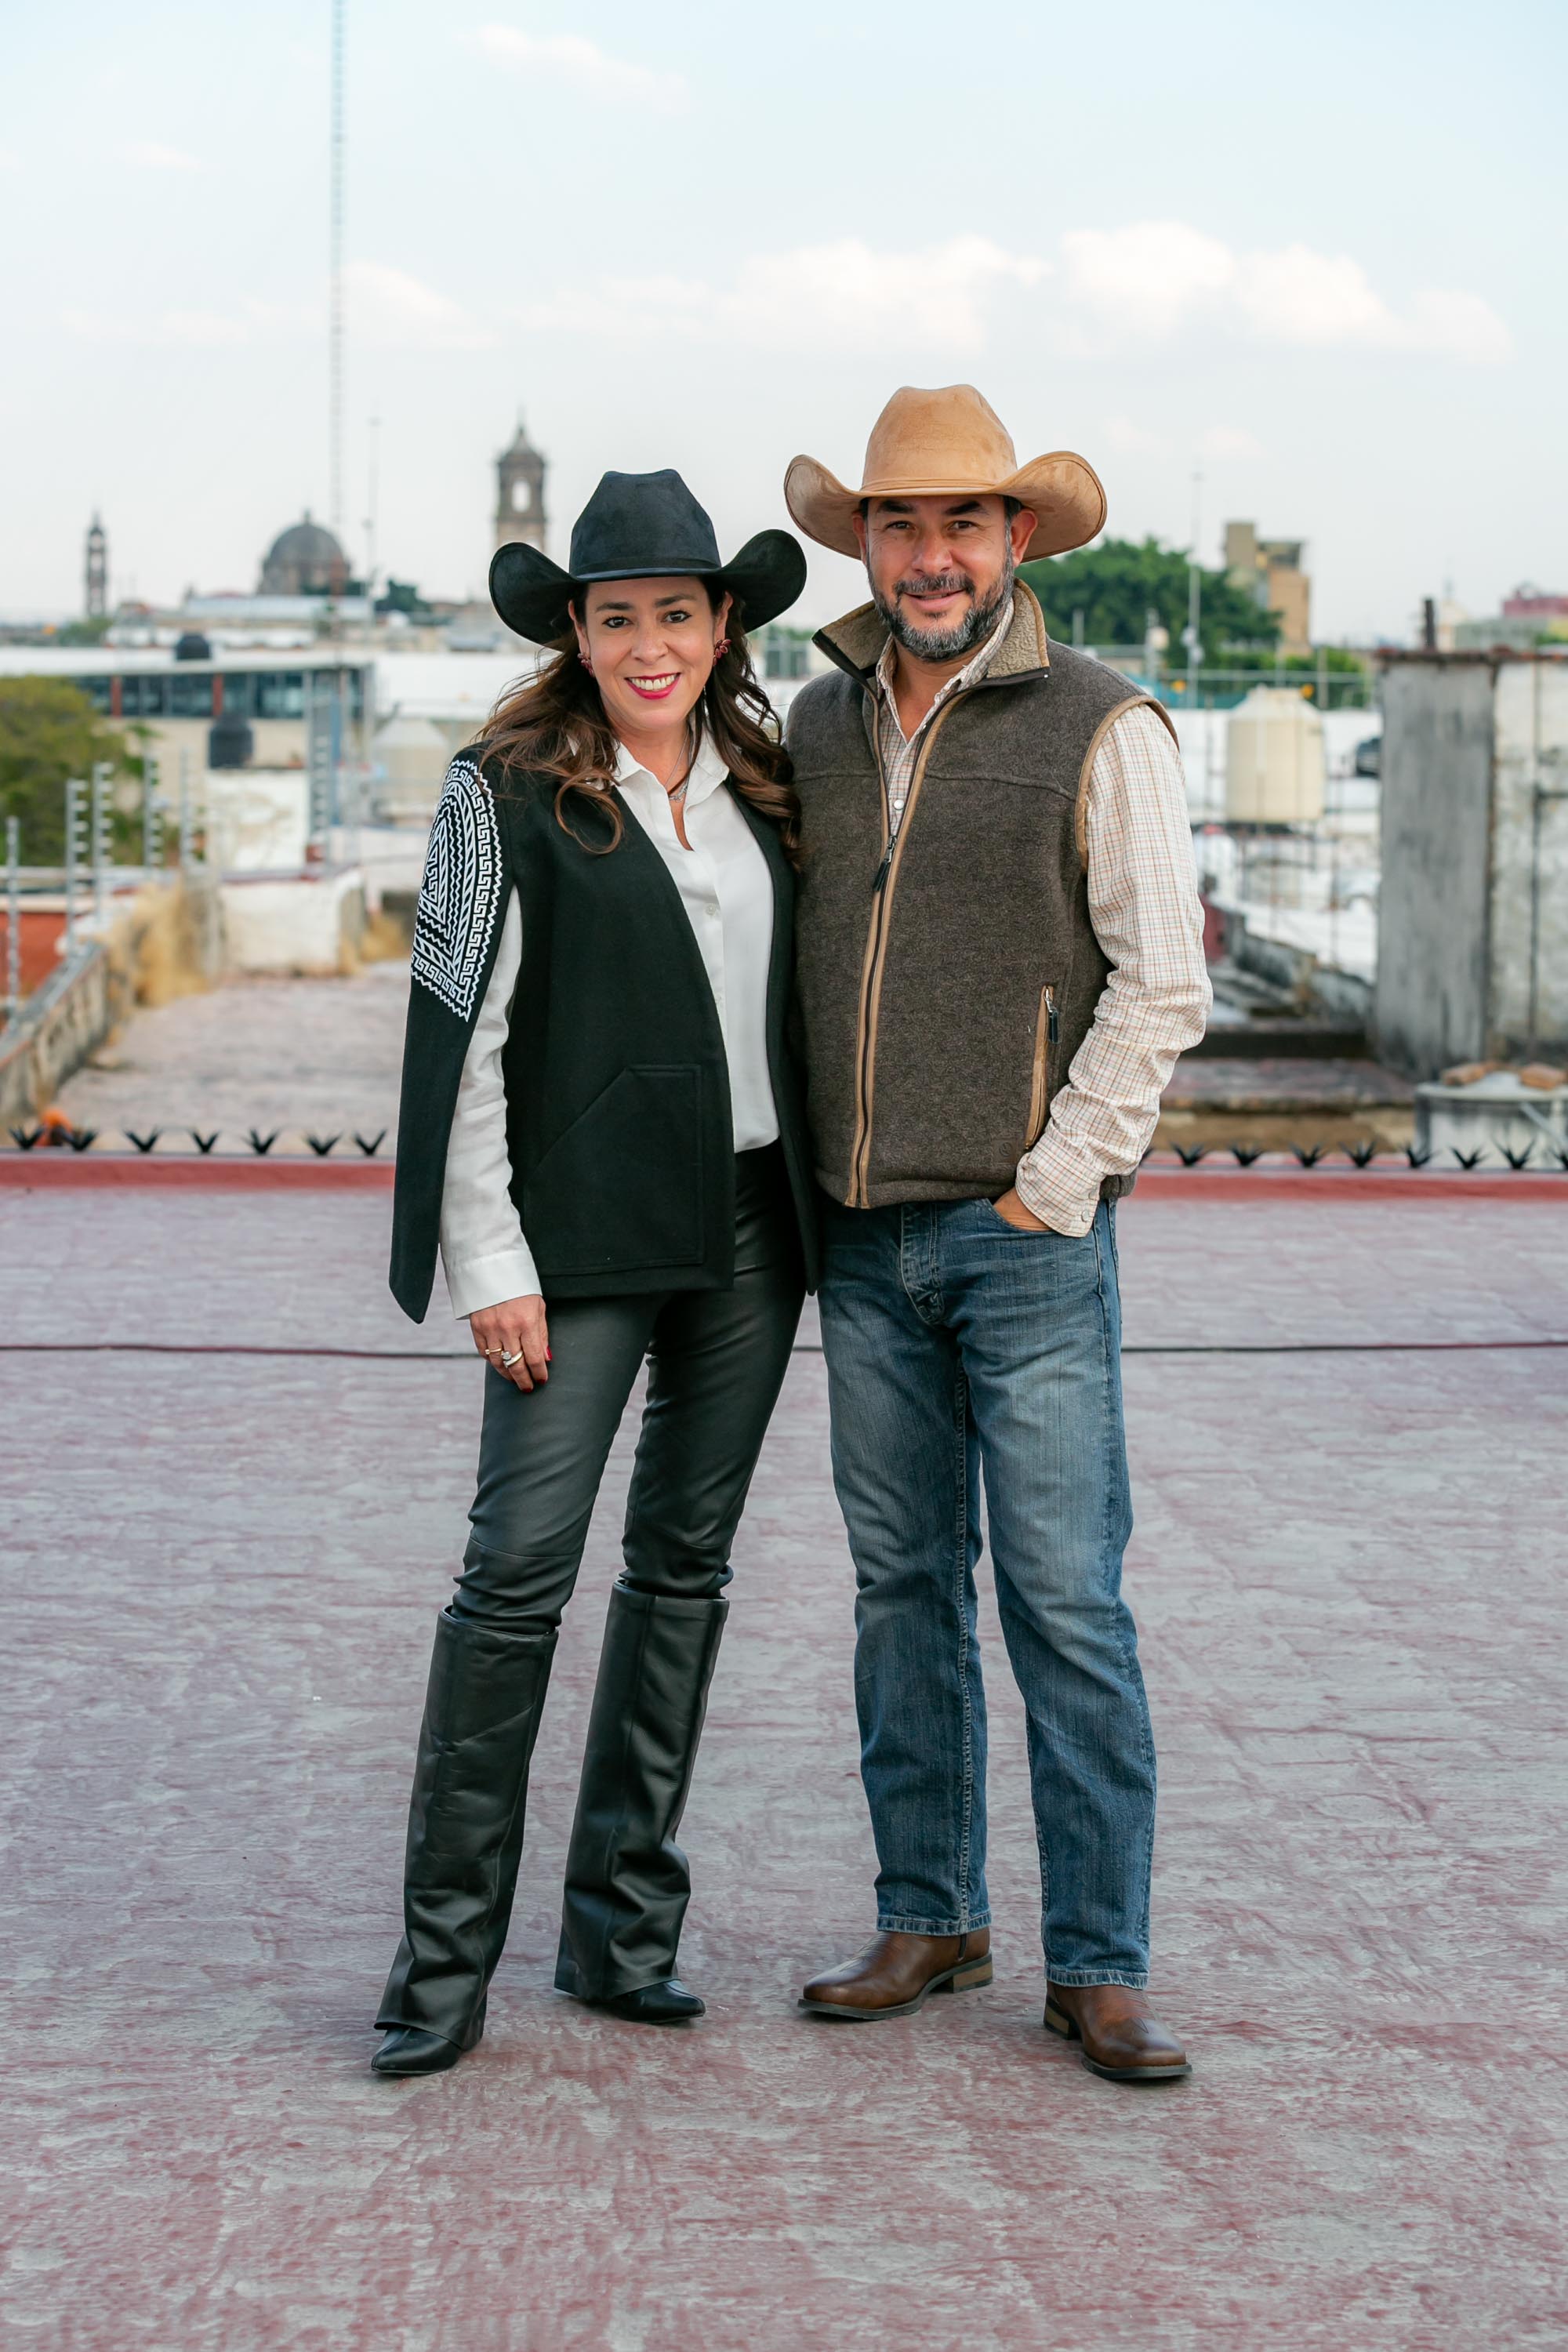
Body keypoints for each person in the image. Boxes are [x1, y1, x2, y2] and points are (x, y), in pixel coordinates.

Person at [781, 385, 1211, 2083]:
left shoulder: (1105, 723)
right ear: (865, 544)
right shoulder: (816, 724)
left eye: (963, 521)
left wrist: (1057, 1181)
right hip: (859, 1242)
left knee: (1064, 1603)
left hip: (1024, 1242)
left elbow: (1162, 982)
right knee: (901, 1595)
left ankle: (1098, 1963)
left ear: (1016, 537)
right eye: (900, 523)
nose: (932, 555)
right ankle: (932, 1916)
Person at [373, 470, 816, 2075]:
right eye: (616, 617)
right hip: (574, 1243)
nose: (649, 646)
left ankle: (622, 1932)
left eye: (675, 615)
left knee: (683, 1571)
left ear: (723, 624)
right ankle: (440, 1975)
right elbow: (458, 1037)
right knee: (514, 1580)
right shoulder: (495, 793)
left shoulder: (771, 783)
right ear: (574, 631)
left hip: (754, 1230)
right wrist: (487, 1256)